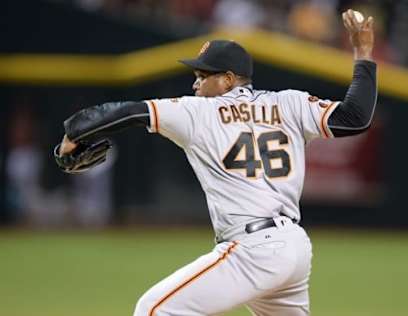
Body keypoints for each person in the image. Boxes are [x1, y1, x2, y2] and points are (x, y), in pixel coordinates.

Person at [56, 9, 376, 316]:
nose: (195, 84)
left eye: (202, 75)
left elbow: (130, 112)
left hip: (254, 248)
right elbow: (355, 117)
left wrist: (74, 132)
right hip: (293, 248)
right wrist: (363, 54)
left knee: (154, 309)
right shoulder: (289, 102)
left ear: (227, 80)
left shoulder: (199, 111)